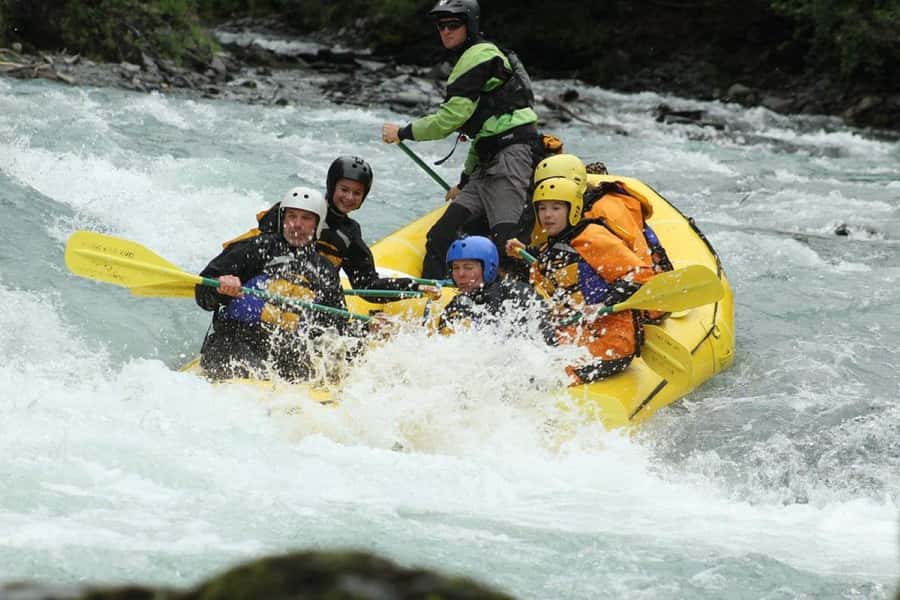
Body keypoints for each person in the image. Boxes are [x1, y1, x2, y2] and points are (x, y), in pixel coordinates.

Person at [381, 0, 539, 280]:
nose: (445, 31)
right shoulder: (479, 56)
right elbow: (483, 133)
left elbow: (448, 121)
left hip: (510, 160)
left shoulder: (478, 55)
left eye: (453, 24)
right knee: (440, 236)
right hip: (487, 163)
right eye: (440, 25)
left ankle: (518, 306)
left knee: (507, 244)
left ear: (471, 25)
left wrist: (403, 132)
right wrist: (465, 181)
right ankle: (434, 300)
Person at [195, 186, 359, 381]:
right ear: (283, 219)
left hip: (286, 356)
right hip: (234, 346)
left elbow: (336, 327)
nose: (296, 224)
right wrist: (220, 286)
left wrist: (367, 331)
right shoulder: (254, 248)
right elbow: (202, 293)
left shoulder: (325, 270)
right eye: (291, 216)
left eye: (305, 218)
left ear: (317, 224)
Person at [507, 178, 657, 384]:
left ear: (573, 209)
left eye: (556, 208)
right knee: (520, 364)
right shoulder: (553, 245)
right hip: (575, 334)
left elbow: (641, 275)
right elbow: (547, 271)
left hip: (611, 341)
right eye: (542, 208)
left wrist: (604, 304)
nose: (547, 215)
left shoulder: (592, 237)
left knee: (548, 376)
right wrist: (521, 252)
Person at [534, 154, 673, 321]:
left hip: (639, 298)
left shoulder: (596, 220)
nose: (549, 189)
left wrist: (604, 303)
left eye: (555, 205)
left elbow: (637, 269)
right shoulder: (573, 219)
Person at [316, 156, 439, 301]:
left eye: (357, 193)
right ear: (332, 186)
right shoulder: (303, 211)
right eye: (344, 189)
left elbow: (368, 285)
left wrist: (413, 287)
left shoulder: (349, 233)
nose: (349, 197)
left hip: (320, 299)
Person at [437, 235, 549, 336]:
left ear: (488, 268)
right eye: (456, 268)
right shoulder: (457, 304)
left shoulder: (516, 292)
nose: (461, 274)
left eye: (468, 267)